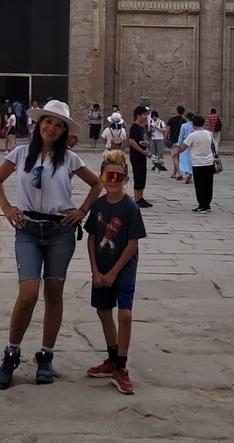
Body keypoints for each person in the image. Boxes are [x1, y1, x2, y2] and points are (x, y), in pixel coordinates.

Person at [0, 100, 102, 390]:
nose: (51, 127)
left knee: (54, 293)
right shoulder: (21, 153)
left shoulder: (69, 158)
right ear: (39, 124)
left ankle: (46, 355)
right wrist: (7, 208)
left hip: (59, 231)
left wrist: (82, 211)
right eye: (47, 122)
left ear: (64, 130)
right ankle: (11, 353)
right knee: (27, 293)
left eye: (58, 124)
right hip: (27, 229)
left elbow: (97, 184)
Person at [84, 149, 147, 395]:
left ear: (126, 180)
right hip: (101, 266)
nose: (113, 181)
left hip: (123, 271)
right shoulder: (98, 204)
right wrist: (95, 270)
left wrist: (113, 273)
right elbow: (91, 238)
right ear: (101, 178)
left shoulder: (130, 208)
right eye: (108, 176)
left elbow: (133, 243)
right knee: (103, 311)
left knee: (125, 315)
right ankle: (112, 356)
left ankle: (121, 364)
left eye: (118, 177)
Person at [177, 115, 216, 212]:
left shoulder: (193, 135)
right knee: (208, 184)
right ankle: (207, 204)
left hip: (198, 163)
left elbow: (182, 148)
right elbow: (213, 147)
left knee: (199, 185)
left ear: (194, 124)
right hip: (209, 162)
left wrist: (176, 150)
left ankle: (201, 204)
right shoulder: (209, 134)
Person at [125, 106, 154, 209]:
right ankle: (137, 199)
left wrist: (145, 145)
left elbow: (139, 140)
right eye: (144, 114)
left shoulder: (141, 128)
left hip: (142, 155)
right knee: (138, 176)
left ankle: (141, 197)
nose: (146, 117)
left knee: (142, 175)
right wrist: (142, 151)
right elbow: (132, 142)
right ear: (138, 115)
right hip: (137, 155)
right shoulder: (134, 127)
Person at [166, 105, 185, 180]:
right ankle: (174, 173)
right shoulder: (184, 121)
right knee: (177, 158)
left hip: (173, 141)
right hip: (181, 142)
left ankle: (179, 173)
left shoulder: (171, 120)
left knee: (174, 157)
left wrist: (165, 138)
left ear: (177, 111)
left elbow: (167, 129)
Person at [176, 114, 195, 185]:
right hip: (193, 144)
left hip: (185, 143)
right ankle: (191, 176)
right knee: (191, 161)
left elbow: (181, 136)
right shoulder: (194, 126)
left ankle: (187, 174)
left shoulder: (184, 125)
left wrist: (179, 144)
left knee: (185, 161)